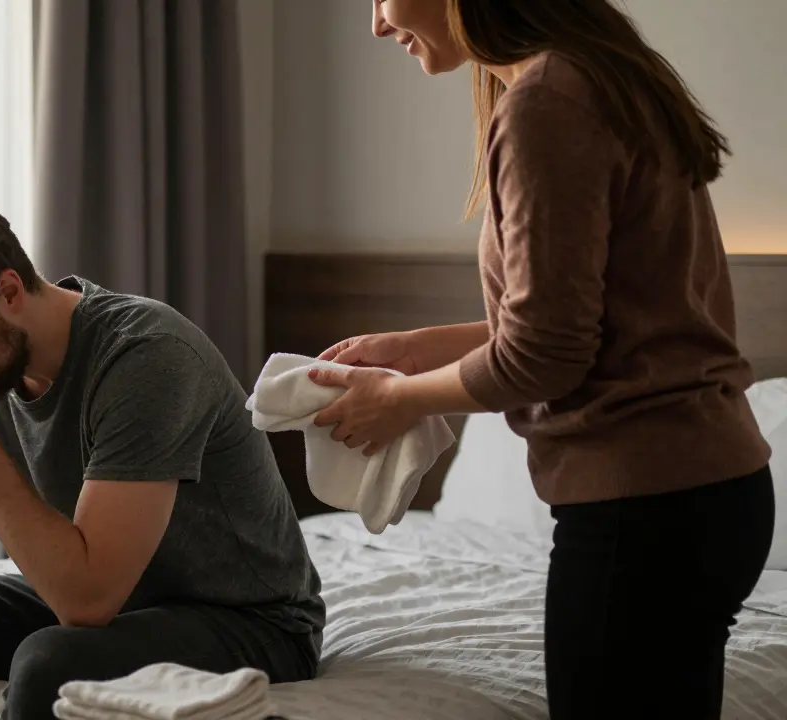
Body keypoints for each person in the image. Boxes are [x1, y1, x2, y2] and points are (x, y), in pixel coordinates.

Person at [306, 2, 775, 719]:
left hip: (641, 505)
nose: (375, 23)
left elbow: (545, 356)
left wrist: (398, 400)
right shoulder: (597, 75)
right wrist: (412, 351)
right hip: (707, 492)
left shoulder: (546, 102)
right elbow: (577, 321)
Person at [0, 189, 324, 719]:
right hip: (104, 598)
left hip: (250, 622)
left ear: (8, 292)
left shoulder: (146, 357)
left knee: (50, 664)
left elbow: (86, 601)